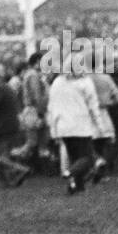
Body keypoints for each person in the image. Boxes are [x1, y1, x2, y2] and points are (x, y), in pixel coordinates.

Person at [46, 60, 103, 194]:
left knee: (75, 157)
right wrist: (99, 124)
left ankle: (77, 187)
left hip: (62, 126)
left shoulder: (57, 82)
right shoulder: (85, 82)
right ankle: (69, 172)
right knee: (87, 158)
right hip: (80, 125)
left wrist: (53, 129)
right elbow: (93, 105)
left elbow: (51, 107)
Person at [0, 63, 30, 187]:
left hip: (2, 126)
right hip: (9, 125)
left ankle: (21, 169)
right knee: (1, 156)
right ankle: (9, 182)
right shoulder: (6, 87)